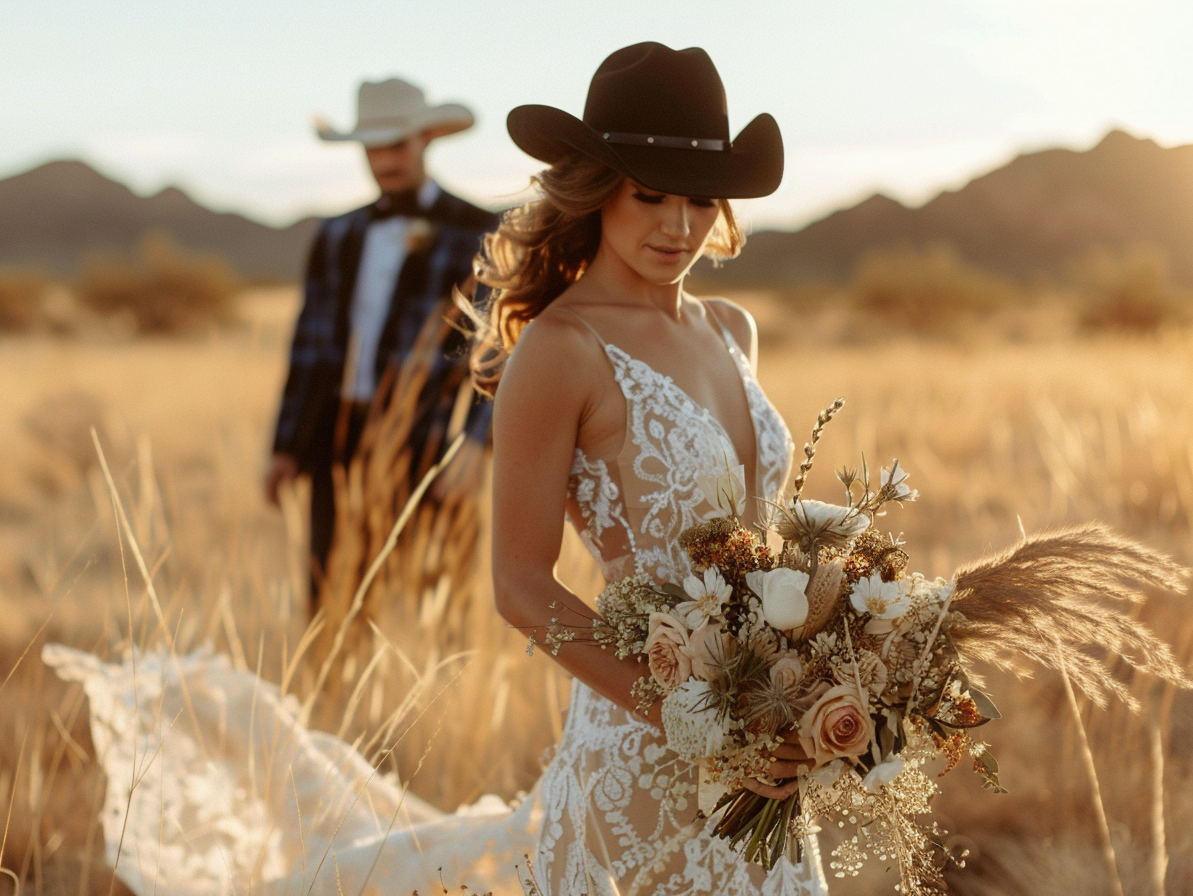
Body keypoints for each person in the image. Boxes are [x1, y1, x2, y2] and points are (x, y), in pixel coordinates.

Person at [45, 43, 827, 896]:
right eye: (650, 195)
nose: (680, 226)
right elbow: (522, 588)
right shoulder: (561, 351)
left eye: (700, 199)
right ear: (596, 186)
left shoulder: (730, 328)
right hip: (645, 753)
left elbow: (765, 542)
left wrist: (820, 670)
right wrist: (696, 723)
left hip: (765, 744)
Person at [265, 76, 496, 594]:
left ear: (426, 141)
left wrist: (479, 442)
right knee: (331, 598)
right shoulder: (336, 234)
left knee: (431, 604)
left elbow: (502, 346)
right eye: (372, 149)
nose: (384, 161)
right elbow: (310, 344)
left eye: (395, 146)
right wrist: (286, 445)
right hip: (339, 438)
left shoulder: (480, 230)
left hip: (433, 439)